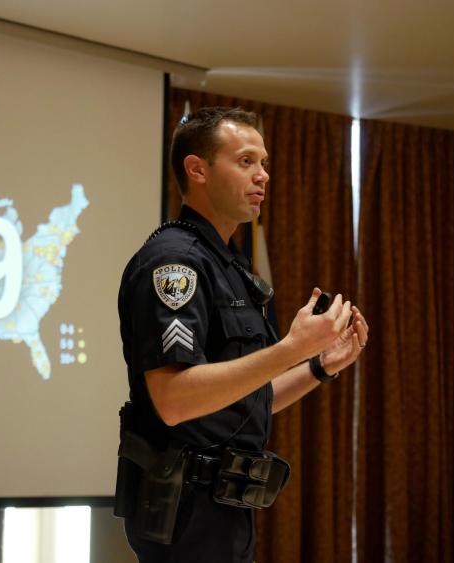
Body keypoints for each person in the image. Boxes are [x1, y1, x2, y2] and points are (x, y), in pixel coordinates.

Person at [115, 106, 369, 563]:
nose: (263, 176)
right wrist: (291, 347)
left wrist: (318, 366)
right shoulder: (176, 263)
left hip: (228, 509)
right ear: (198, 170)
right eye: (246, 161)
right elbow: (174, 401)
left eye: (265, 163)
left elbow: (246, 400)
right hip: (181, 516)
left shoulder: (229, 266)